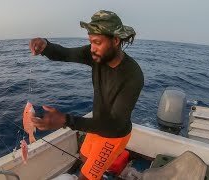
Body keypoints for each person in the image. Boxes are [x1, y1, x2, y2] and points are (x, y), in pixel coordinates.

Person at [29, 10, 144, 180]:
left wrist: (65, 120)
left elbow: (114, 125)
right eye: (90, 42)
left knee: (86, 177)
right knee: (83, 157)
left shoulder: (132, 75)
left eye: (97, 42)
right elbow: (65, 54)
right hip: (96, 126)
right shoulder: (96, 55)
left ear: (115, 40)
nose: (92, 48)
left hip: (113, 134)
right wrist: (46, 46)